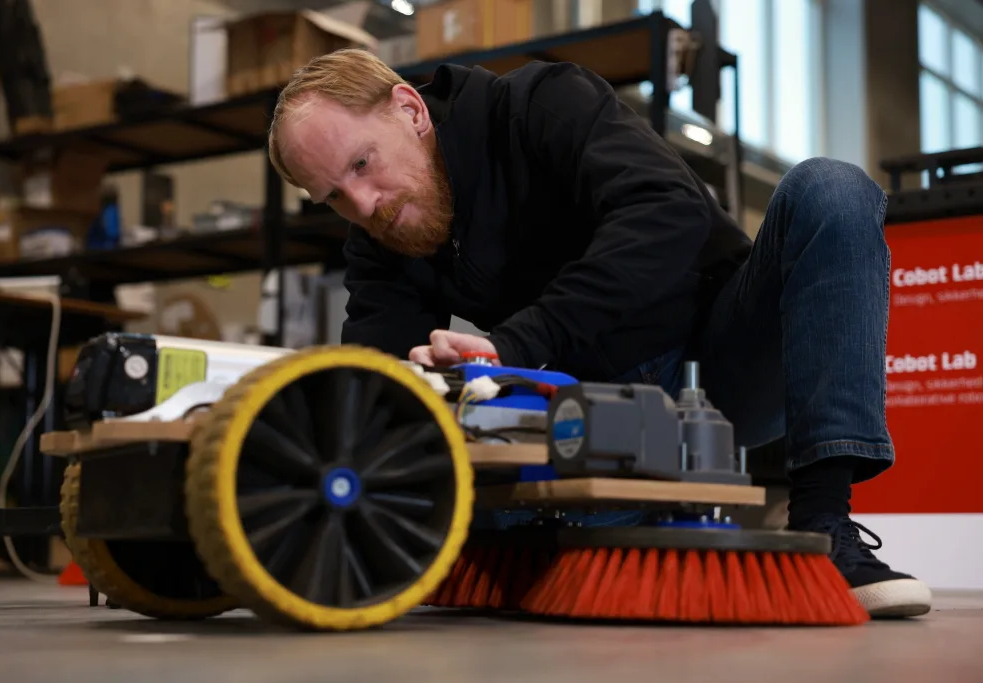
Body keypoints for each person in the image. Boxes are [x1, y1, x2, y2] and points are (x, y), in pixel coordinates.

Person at [267, 48, 932, 618]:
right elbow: (378, 387)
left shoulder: (542, 105)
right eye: (332, 197)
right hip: (590, 420)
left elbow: (667, 215)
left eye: (361, 165)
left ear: (410, 110)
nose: (362, 206)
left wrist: (516, 346)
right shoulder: (381, 237)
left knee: (833, 189)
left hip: (719, 371)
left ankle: (824, 527)